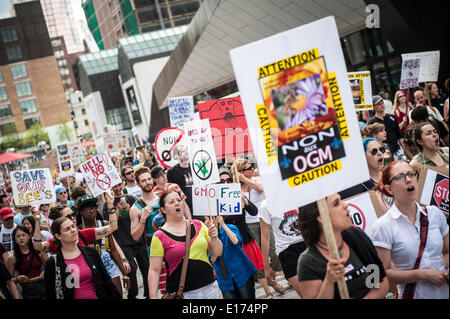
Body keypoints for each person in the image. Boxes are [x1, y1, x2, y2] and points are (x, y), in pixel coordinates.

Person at [371, 160, 449, 299]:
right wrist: (422, 274)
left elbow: (447, 251)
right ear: (389, 189)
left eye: (411, 174)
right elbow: (383, 273)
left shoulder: (434, 214)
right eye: (400, 177)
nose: (408, 180)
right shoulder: (383, 225)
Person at [297, 193, 389, 299]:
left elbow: (380, 282)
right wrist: (329, 281)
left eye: (341, 200)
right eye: (336, 203)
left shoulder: (356, 236)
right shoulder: (308, 262)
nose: (345, 204)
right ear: (321, 218)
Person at [148, 189, 222, 299]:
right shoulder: (159, 236)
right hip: (183, 294)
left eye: (179, 200)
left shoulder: (199, 225)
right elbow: (154, 269)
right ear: (163, 209)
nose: (177, 203)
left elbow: (217, 253)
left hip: (210, 288)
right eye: (171, 202)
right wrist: (153, 296)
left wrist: (214, 237)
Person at [218, 167, 276, 298]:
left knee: (250, 275)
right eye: (222, 181)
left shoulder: (238, 195)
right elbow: (220, 223)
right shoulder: (215, 201)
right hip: (228, 245)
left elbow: (254, 212)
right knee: (236, 278)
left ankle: (267, 290)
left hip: (244, 240)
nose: (226, 183)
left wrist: (244, 200)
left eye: (228, 180)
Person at [232, 158, 284, 297]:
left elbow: (261, 189)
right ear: (241, 171)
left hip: (263, 220)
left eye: (251, 167)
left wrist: (246, 179)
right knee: (259, 258)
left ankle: (275, 276)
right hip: (248, 224)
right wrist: (239, 181)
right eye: (248, 168)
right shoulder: (235, 186)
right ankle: (269, 288)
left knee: (273, 250)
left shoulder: (256, 180)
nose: (252, 170)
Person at [43, 216, 122, 299]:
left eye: (73, 226)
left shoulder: (91, 252)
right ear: (58, 236)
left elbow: (106, 281)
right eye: (67, 229)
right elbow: (50, 294)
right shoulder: (53, 263)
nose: (73, 230)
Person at [102, 182, 150, 299]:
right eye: (114, 186)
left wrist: (130, 210)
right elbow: (109, 226)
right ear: (111, 188)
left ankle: (149, 293)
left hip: (138, 239)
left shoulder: (130, 198)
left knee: (146, 267)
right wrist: (117, 211)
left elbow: (142, 214)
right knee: (131, 268)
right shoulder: (107, 204)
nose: (118, 188)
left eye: (119, 185)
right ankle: (132, 294)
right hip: (123, 241)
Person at [76, 195, 131, 296]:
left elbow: (113, 250)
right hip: (92, 270)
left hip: (109, 266)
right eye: (87, 208)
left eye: (94, 207)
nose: (92, 210)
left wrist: (124, 274)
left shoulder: (105, 225)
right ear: (80, 212)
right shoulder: (77, 231)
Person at [33, 201, 118, 256]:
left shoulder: (83, 234)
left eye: (73, 215)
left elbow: (112, 227)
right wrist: (37, 222)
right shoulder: (55, 242)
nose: (73, 218)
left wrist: (110, 205)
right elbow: (38, 247)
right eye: (68, 217)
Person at [259, 199, 306, 297]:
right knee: (306, 295)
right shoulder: (265, 206)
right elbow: (265, 237)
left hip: (308, 244)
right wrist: (266, 268)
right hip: (286, 251)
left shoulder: (300, 194)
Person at [213, 215, 256, 299]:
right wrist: (213, 237)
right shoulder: (208, 236)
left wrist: (223, 225)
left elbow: (236, 241)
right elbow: (213, 257)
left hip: (241, 274)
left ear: (214, 219)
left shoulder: (231, 227)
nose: (205, 222)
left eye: (206, 219)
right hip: (225, 280)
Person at [7, 225, 46, 299]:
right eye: (18, 236)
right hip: (28, 290)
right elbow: (10, 280)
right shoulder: (12, 257)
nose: (21, 238)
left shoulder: (37, 251)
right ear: (14, 239)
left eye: (23, 235)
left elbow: (49, 266)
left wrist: (45, 272)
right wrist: (18, 279)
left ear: (28, 236)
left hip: (44, 285)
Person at [166, 144, 194, 217]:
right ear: (176, 156)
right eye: (183, 151)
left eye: (186, 150)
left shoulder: (195, 167)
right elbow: (172, 191)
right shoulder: (171, 172)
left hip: (199, 206)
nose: (186, 153)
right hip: (185, 208)